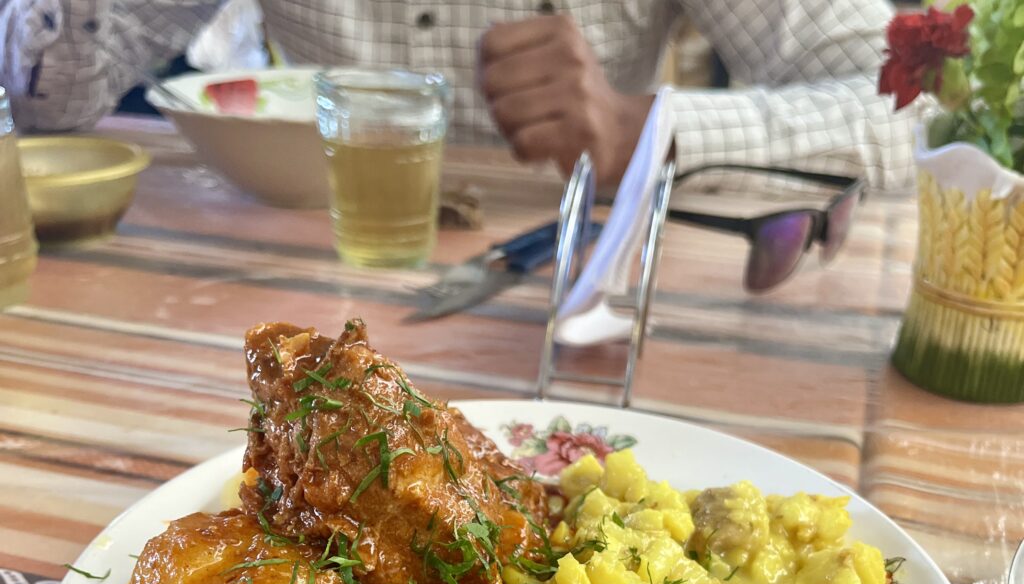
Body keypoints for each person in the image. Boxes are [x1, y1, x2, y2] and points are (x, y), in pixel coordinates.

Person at [0, 0, 916, 188]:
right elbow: (47, 105)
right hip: (288, 275)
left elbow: (919, 109)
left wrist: (652, 126)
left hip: (574, 291)